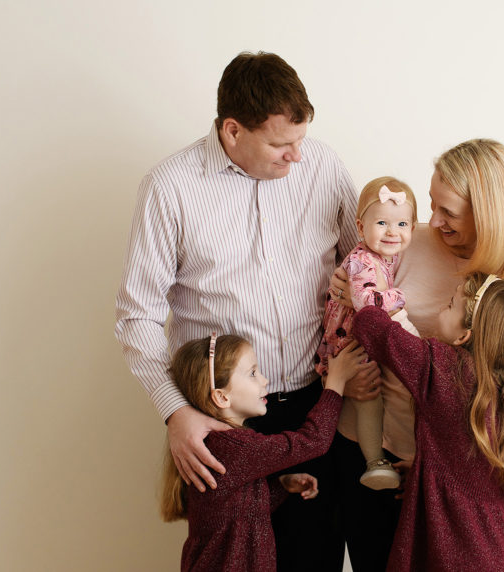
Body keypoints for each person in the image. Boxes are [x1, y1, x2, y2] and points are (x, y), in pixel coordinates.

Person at [115, 51, 370, 571]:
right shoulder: (170, 188)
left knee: (314, 556)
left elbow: (363, 269)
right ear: (232, 131)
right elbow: (136, 315)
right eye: (280, 144)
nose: (297, 156)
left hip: (316, 403)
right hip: (221, 422)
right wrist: (176, 410)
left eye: (301, 139)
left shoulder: (322, 165)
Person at [329, 139, 504, 570]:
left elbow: (489, 396)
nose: (434, 220)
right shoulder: (407, 238)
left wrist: (432, 472)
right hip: (371, 452)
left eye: (449, 212)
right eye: (431, 205)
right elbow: (353, 296)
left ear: (487, 213)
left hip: (442, 481)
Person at [352, 274, 504, 570]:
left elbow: (370, 326)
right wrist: (426, 471)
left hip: (449, 558)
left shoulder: (444, 368)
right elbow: (467, 464)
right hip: (498, 554)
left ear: (463, 336)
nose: (441, 310)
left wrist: (365, 292)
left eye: (450, 305)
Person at [160, 333, 365, 571]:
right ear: (222, 396)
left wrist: (280, 486)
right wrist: (335, 385)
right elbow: (313, 441)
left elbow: (237, 510)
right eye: (253, 373)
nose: (265, 381)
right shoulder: (236, 447)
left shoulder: (220, 444)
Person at [315, 177, 419, 490]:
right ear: (361, 228)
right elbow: (364, 302)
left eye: (402, 223)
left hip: (358, 336)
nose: (392, 231)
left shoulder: (386, 254)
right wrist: (399, 296)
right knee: (370, 396)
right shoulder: (362, 260)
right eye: (382, 223)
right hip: (348, 343)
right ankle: (375, 460)